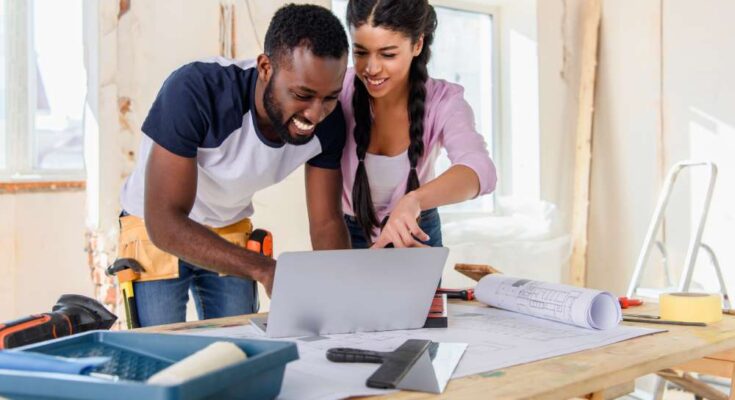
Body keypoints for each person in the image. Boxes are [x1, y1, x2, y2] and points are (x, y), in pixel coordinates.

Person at [116, 4, 350, 327]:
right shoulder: (195, 92)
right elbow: (165, 222)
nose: (315, 113)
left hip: (228, 225)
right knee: (161, 353)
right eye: (302, 94)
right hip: (154, 225)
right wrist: (264, 268)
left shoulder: (329, 123)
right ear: (266, 68)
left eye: (330, 97)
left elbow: (326, 223)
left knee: (238, 349)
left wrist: (345, 298)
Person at [340, 0, 497, 249]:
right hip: (347, 230)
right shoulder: (337, 91)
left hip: (416, 230)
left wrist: (414, 200)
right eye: (360, 52)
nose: (371, 68)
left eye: (388, 54)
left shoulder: (445, 101)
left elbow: (481, 171)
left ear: (417, 44)